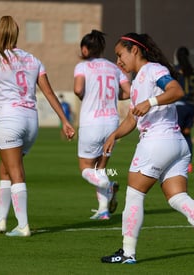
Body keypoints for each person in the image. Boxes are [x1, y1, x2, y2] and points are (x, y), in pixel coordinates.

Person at [100, 33, 194, 264]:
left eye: (120, 55)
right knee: (177, 197)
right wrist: (114, 134)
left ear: (135, 51)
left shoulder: (152, 70)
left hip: (157, 142)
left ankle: (128, 253)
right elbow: (132, 119)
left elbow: (176, 91)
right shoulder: (139, 80)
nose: (118, 61)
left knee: (134, 193)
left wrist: (149, 102)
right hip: (175, 144)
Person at [0, 15, 75, 237]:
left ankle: (22, 225)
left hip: (9, 119)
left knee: (15, 172)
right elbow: (49, 92)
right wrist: (65, 120)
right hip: (31, 120)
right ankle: (1, 220)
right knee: (5, 168)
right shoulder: (33, 59)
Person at [74, 30, 130, 220]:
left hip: (92, 122)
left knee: (86, 169)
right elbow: (128, 92)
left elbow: (78, 89)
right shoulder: (114, 68)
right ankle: (103, 210)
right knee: (100, 169)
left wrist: (87, 96)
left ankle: (109, 186)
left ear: (85, 48)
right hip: (112, 123)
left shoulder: (82, 67)